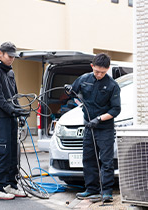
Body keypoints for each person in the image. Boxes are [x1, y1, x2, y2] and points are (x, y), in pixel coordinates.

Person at [65, 53, 121, 202]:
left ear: (108, 69)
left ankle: (107, 192)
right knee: (88, 158)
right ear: (92, 66)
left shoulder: (112, 86)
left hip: (105, 127)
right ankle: (91, 189)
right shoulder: (84, 79)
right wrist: (69, 91)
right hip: (88, 126)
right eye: (96, 71)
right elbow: (73, 93)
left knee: (106, 160)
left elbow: (116, 110)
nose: (99, 75)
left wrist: (99, 119)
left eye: (103, 72)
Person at [0, 42, 29, 200]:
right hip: (1, 119)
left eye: (13, 57)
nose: (12, 59)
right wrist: (13, 110)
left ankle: (10, 185)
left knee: (13, 154)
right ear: (0, 53)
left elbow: (14, 96)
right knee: (2, 153)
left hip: (12, 118)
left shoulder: (9, 71)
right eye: (9, 56)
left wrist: (20, 113)